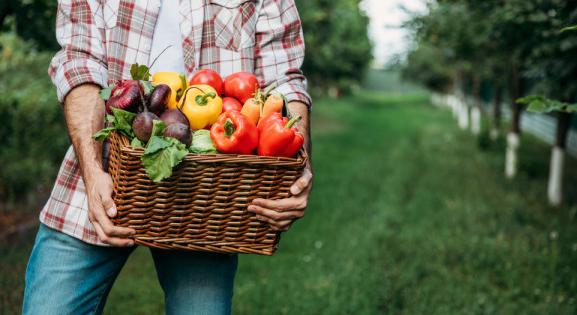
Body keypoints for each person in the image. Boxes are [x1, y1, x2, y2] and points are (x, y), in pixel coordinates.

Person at [22, 0, 313, 314]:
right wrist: (93, 172)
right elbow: (80, 63)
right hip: (103, 176)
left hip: (207, 198)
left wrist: (297, 168)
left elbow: (285, 81)